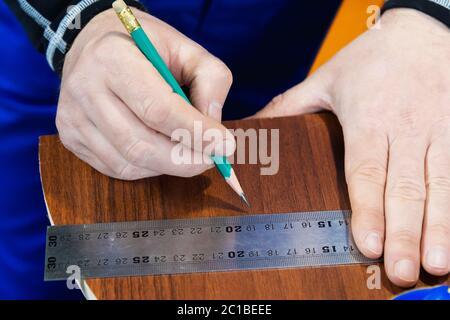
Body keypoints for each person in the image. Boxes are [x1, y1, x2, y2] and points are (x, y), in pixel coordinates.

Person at [1, 0, 448, 299]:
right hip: (71, 56)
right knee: (42, 264)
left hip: (277, 21)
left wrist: (429, 19)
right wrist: (76, 17)